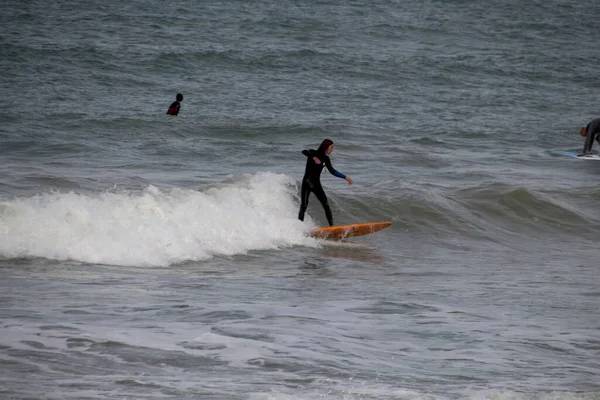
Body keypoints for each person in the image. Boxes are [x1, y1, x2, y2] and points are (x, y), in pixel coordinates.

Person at [298, 139, 353, 226]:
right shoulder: (313, 152)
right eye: (331, 147)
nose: (332, 149)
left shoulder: (326, 159)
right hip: (307, 182)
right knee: (304, 205)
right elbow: (304, 151)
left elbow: (332, 171)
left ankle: (332, 227)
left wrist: (345, 177)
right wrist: (313, 157)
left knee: (326, 205)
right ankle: (299, 227)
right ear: (326, 147)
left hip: (316, 184)